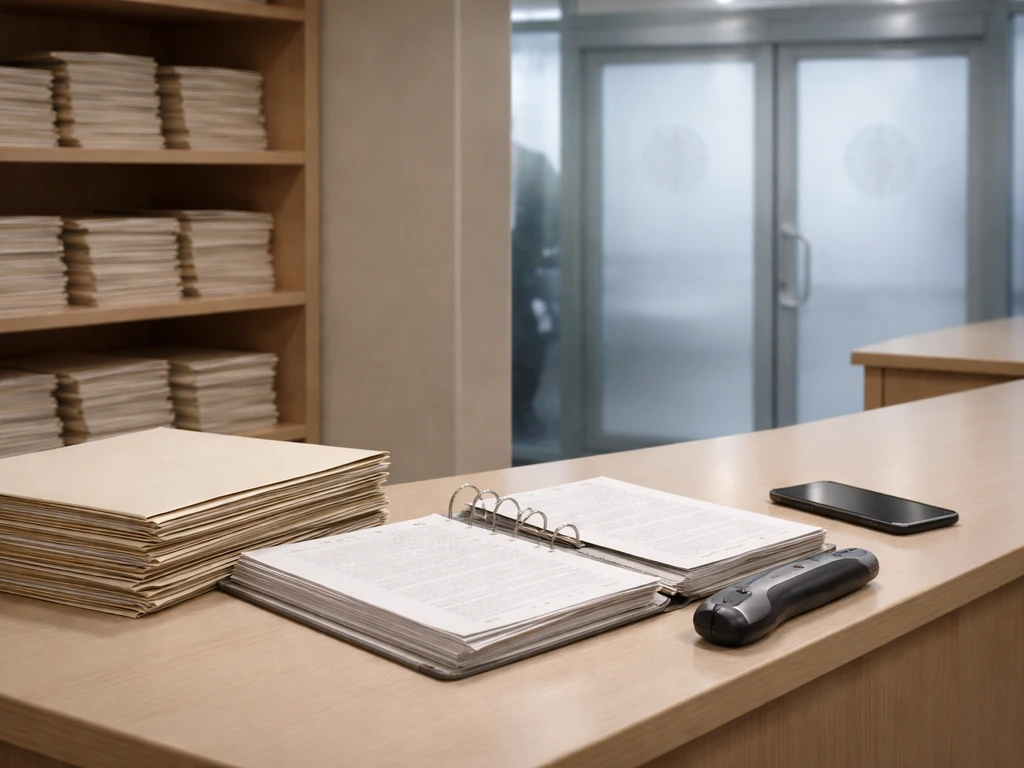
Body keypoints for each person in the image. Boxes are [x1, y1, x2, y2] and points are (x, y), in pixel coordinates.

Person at [511, 141, 560, 440]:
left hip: (525, 267)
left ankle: (522, 409)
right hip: (483, 268)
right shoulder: (469, 156)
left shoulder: (534, 163)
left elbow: (557, 210)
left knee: (532, 339)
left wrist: (545, 253)